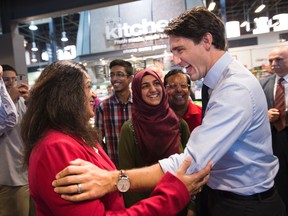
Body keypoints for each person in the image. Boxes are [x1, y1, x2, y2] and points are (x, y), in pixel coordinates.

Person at [52, 6, 286, 216]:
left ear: (206, 41)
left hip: (244, 206)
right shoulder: (216, 83)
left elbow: (191, 161)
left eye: (180, 49)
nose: (175, 60)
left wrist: (114, 180)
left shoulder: (234, 87)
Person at [21, 60, 211, 216]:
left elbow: (116, 181)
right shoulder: (56, 148)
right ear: (67, 95)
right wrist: (173, 194)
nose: (94, 94)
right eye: (88, 87)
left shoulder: (79, 137)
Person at [118, 69, 190, 210]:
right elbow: (126, 178)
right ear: (137, 92)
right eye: (145, 86)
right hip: (148, 208)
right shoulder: (130, 129)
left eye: (156, 83)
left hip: (181, 203)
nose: (153, 89)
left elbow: (192, 166)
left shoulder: (179, 124)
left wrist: (192, 207)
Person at [0, 64, 35, 216]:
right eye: (6, 80)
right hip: (9, 178)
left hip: (29, 175)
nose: (11, 83)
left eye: (14, 79)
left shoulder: (23, 101)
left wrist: (31, 102)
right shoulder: (4, 105)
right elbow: (6, 123)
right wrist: (11, 100)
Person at [260, 46, 288, 215]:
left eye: (279, 59)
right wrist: (265, 116)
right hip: (274, 141)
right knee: (280, 181)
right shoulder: (263, 84)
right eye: (271, 60)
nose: (274, 63)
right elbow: (254, 112)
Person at [95, 59, 133, 167]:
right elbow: (97, 140)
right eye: (112, 75)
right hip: (114, 166)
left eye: (120, 74)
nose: (115, 79)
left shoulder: (140, 104)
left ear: (130, 78)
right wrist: (106, 161)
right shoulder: (103, 107)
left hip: (140, 166)